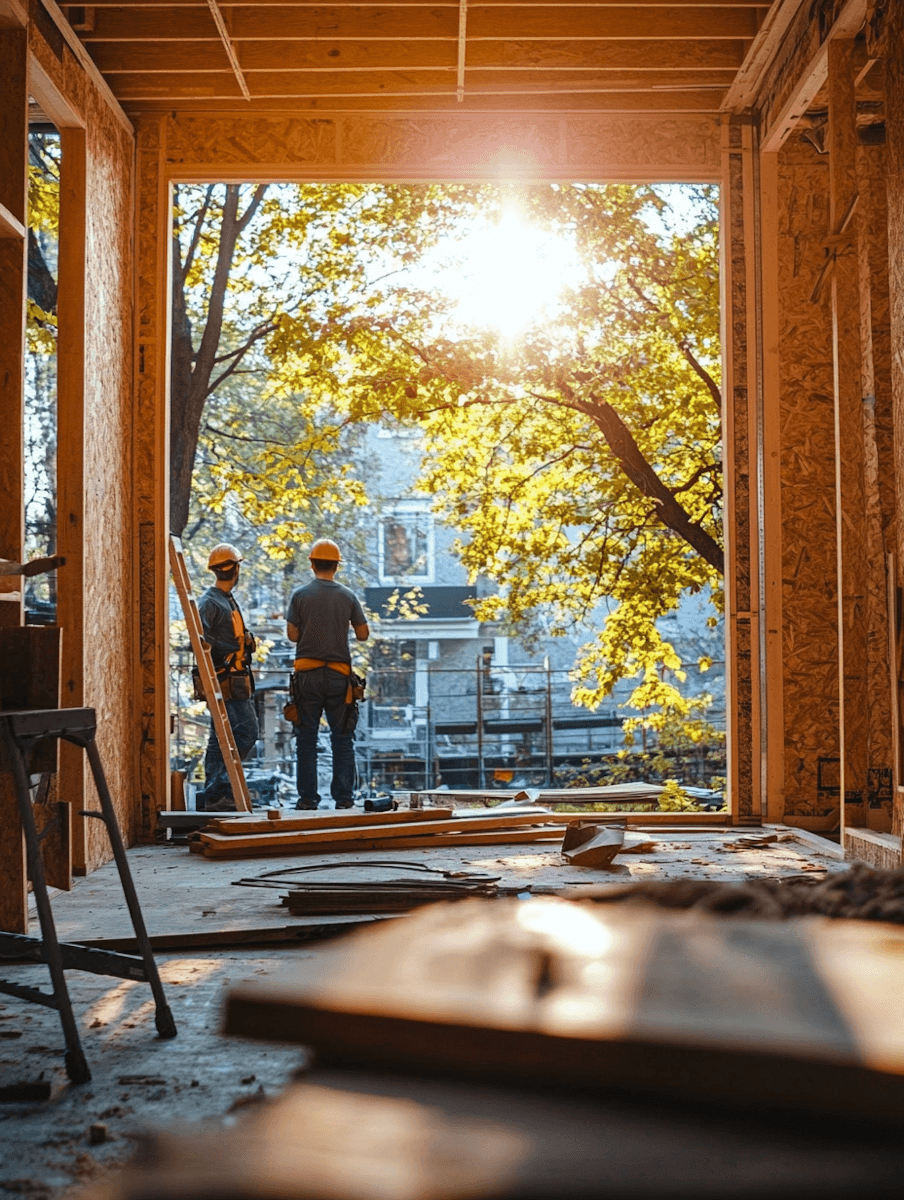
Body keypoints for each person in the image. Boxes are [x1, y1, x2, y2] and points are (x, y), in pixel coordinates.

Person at [286, 538, 369, 810]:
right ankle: (344, 798)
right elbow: (363, 635)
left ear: (311, 564)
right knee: (342, 737)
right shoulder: (347, 596)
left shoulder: (299, 596)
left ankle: (307, 799)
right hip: (337, 677)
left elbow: (292, 635)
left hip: (307, 676)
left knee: (306, 738)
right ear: (337, 566)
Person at [194, 542, 260, 812]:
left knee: (218, 739)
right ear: (235, 569)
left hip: (234, 679)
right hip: (225, 681)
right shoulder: (210, 603)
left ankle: (215, 798)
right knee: (246, 731)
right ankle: (217, 789)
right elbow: (199, 641)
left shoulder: (225, 600)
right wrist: (223, 659)